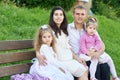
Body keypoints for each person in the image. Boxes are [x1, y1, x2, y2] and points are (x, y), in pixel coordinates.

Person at [36, 6, 89, 80]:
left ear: (64, 17)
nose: (59, 17)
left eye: (61, 15)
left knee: (85, 68)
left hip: (69, 59)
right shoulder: (49, 30)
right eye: (56, 14)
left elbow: (67, 48)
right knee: (83, 70)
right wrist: (38, 54)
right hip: (61, 61)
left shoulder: (64, 31)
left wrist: (77, 58)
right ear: (52, 16)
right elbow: (41, 44)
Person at [68, 5, 110, 80]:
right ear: (73, 14)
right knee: (95, 65)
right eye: (77, 14)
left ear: (86, 15)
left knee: (105, 66)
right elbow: (66, 48)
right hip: (79, 58)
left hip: (92, 56)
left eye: (82, 14)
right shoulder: (68, 29)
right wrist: (77, 58)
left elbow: (102, 44)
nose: (80, 16)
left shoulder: (90, 27)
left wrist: (98, 53)